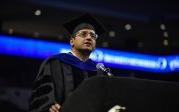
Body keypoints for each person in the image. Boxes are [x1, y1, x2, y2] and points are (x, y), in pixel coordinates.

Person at [29, 13, 106, 112]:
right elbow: (41, 95)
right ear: (72, 41)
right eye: (83, 34)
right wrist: (49, 106)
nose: (89, 38)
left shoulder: (99, 71)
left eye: (93, 36)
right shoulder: (55, 63)